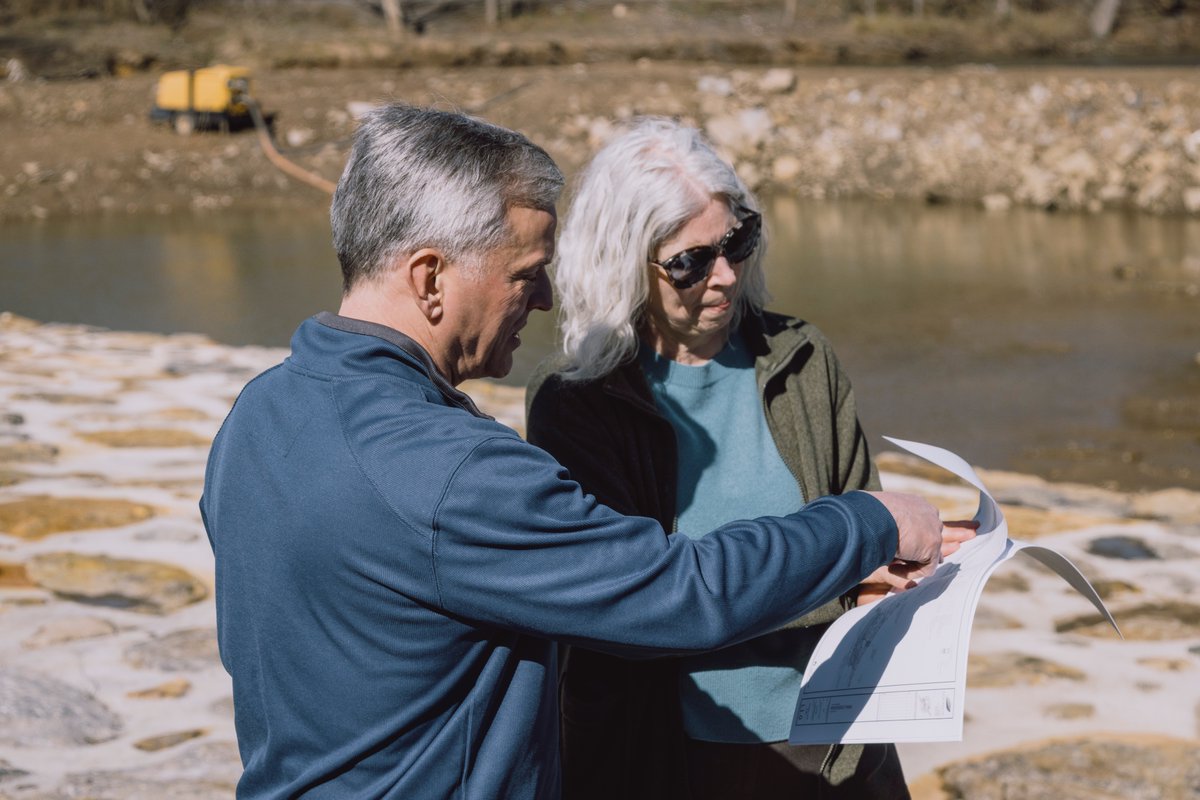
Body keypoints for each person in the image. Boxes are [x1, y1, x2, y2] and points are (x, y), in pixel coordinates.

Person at [201, 104, 948, 799]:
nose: (546, 299)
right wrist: (867, 522)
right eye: (525, 274)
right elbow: (679, 594)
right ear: (430, 277)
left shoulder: (259, 414)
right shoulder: (455, 471)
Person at [527, 117, 974, 799]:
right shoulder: (576, 402)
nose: (727, 275)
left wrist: (898, 573)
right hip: (664, 754)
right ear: (621, 260)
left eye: (738, 241)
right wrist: (835, 573)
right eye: (691, 261)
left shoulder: (802, 356)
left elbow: (867, 531)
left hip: (836, 741)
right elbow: (633, 609)